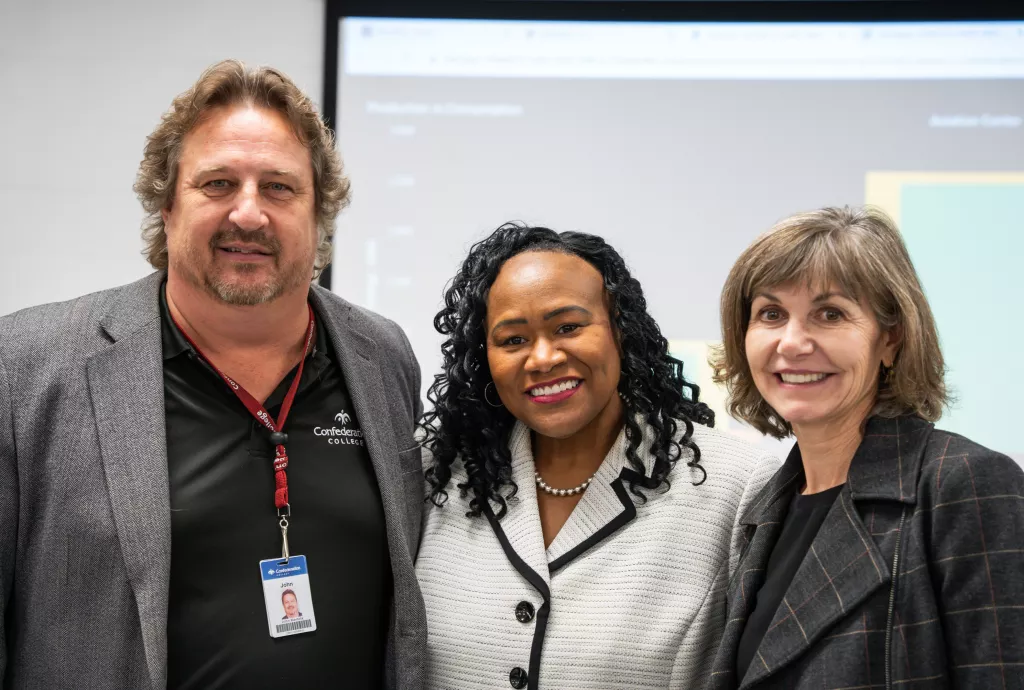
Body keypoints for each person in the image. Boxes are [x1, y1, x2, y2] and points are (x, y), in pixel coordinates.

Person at [0, 60, 426, 689]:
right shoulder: (26, 370)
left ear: (319, 214)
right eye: (218, 184)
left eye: (279, 187)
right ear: (167, 206)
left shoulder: (382, 356)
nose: (248, 214)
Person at [415, 224, 778, 690]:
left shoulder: (736, 486)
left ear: (621, 331)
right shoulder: (434, 478)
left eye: (568, 327)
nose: (542, 358)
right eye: (512, 340)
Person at [706, 206, 1024, 688]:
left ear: (890, 339)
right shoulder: (763, 510)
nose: (792, 343)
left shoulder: (965, 483)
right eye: (771, 314)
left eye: (830, 314)